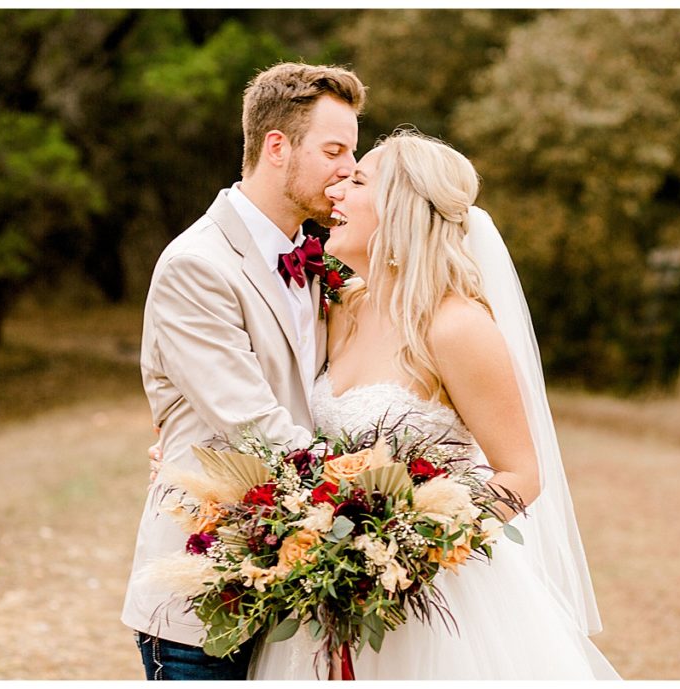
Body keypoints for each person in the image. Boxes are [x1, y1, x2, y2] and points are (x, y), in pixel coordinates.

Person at [247, 129, 621, 679]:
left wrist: (411, 548)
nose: (336, 195)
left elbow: (521, 473)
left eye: (356, 181)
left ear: (399, 208)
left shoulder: (456, 327)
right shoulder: (341, 306)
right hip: (331, 590)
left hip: (438, 600)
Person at [122, 62, 366, 681]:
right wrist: (373, 497)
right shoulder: (196, 265)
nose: (349, 170)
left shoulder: (318, 265)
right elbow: (251, 422)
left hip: (299, 586)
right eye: (333, 150)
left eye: (353, 153)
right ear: (277, 147)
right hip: (207, 591)